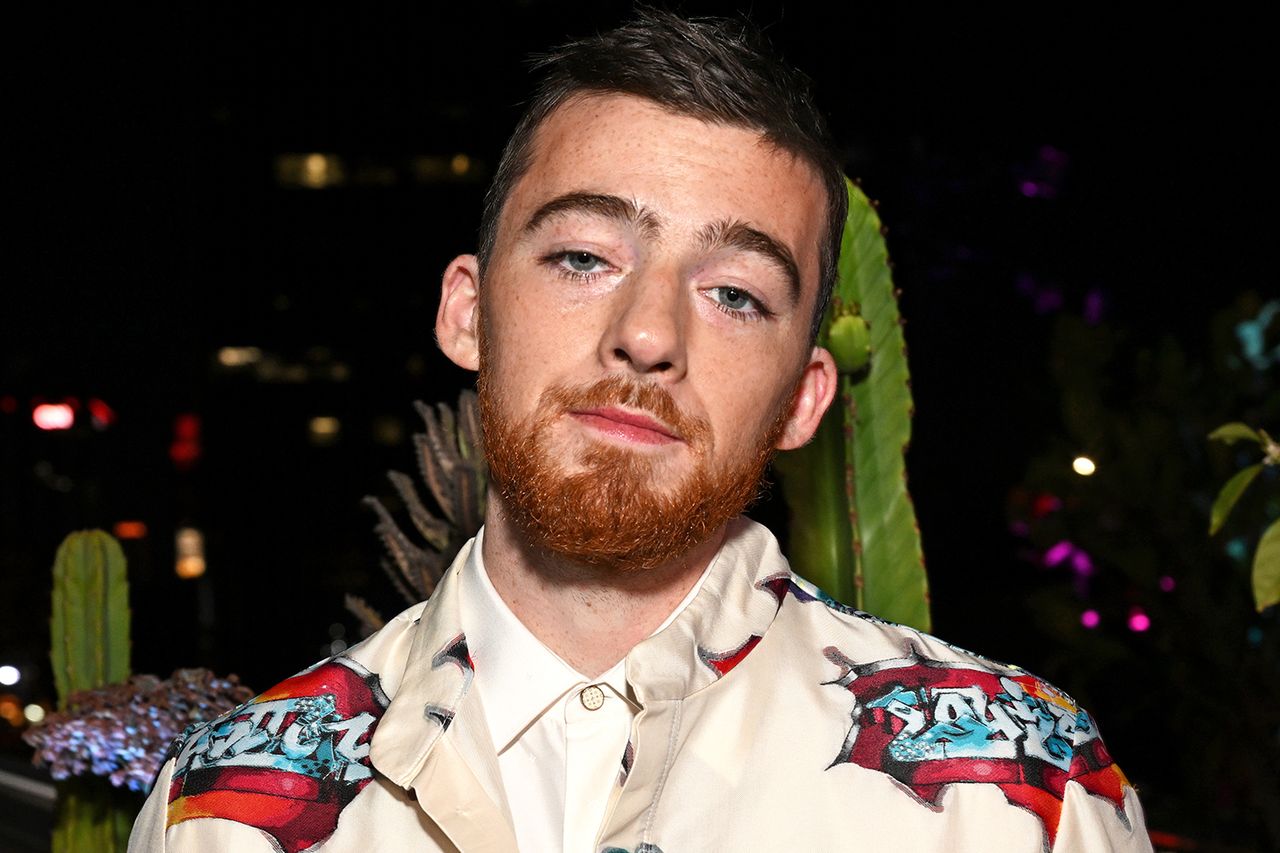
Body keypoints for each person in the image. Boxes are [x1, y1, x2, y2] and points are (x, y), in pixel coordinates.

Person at [129, 9, 1152, 852]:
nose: (648, 334)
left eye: (735, 294)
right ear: (466, 312)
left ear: (804, 397)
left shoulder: (1015, 794)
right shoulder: (221, 810)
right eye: (583, 257)